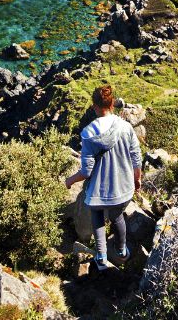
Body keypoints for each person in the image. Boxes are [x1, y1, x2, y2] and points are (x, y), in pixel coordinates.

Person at [64, 85, 142, 271]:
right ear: (112, 104)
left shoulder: (88, 133)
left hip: (98, 192)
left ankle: (101, 259)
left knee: (97, 218)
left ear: (94, 106)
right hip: (122, 189)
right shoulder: (126, 127)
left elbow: (86, 171)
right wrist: (136, 179)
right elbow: (136, 159)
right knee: (117, 218)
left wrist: (70, 181)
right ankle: (122, 252)